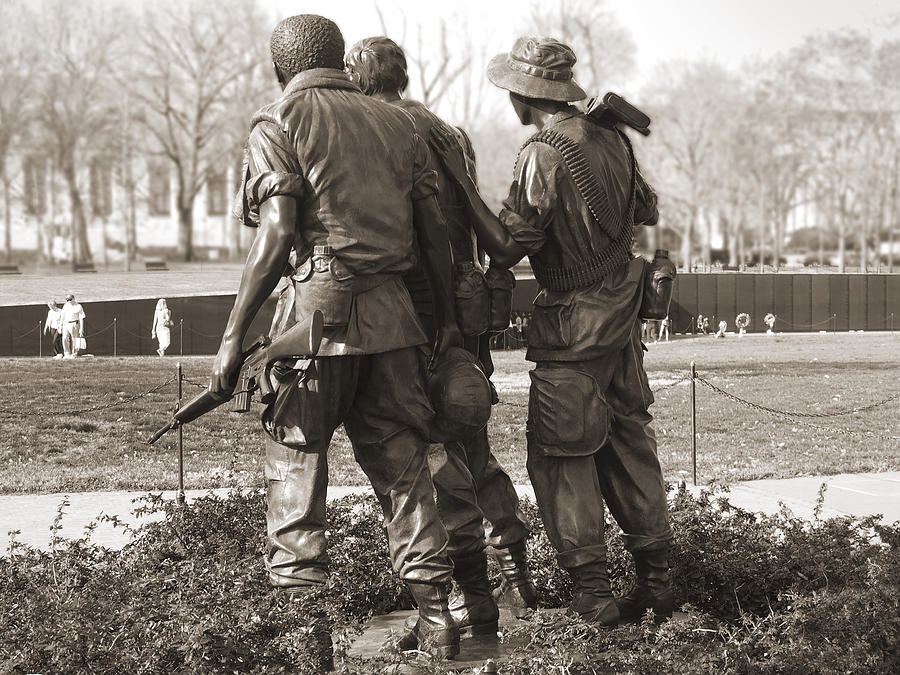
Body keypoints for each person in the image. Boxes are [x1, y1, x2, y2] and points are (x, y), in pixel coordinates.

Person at [211, 15, 465, 658]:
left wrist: (233, 335)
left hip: (313, 324)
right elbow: (433, 235)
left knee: (295, 468)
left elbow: (275, 232)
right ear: (337, 59)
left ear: (280, 66)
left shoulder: (278, 120)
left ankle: (308, 642)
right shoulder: (400, 123)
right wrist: (444, 323)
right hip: (395, 321)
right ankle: (439, 619)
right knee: (406, 474)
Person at [429, 36, 674, 626]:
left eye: (511, 90)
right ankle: (658, 581)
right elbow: (646, 210)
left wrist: (464, 188)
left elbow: (511, 245)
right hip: (620, 331)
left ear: (525, 93)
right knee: (629, 450)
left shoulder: (543, 150)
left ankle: (593, 596)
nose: (508, 100)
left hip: (574, 333)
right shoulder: (610, 136)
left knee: (562, 460)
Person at [346, 36, 537, 634]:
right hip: (466, 304)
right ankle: (508, 566)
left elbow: (415, 232)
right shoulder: (451, 132)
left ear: (358, 75)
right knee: (470, 443)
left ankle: (468, 599)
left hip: (418, 309)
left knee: (430, 452)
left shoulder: (376, 131)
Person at [60, 294, 85, 359]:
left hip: (74, 324)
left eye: (70, 300)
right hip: (66, 323)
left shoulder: (78, 306)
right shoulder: (66, 305)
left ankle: (74, 354)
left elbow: (81, 317)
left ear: (73, 299)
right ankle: (67, 354)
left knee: (74, 339)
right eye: (67, 300)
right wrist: (60, 325)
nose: (68, 301)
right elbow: (62, 316)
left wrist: (81, 328)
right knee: (65, 338)